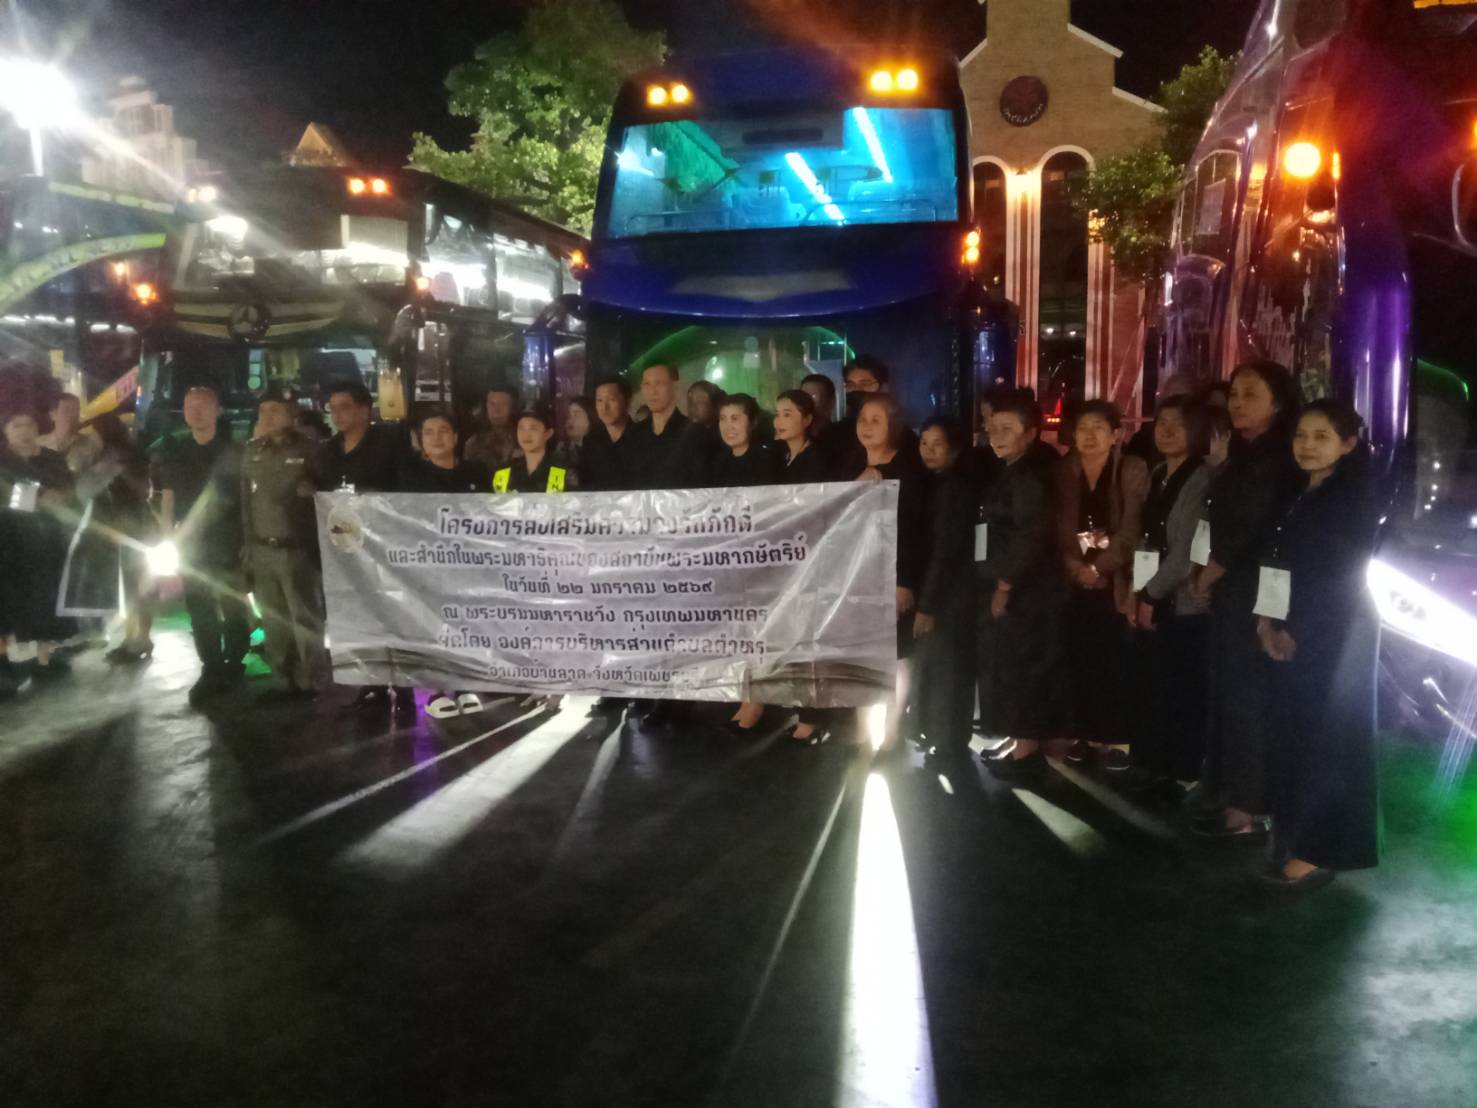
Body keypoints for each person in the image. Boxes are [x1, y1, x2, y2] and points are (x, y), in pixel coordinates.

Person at [1258, 400, 1380, 889]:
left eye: (1321, 437)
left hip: (1335, 629)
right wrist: (1266, 619)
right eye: (1301, 435)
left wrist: (1296, 627)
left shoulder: (1352, 500)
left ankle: (1320, 851)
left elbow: (1338, 576)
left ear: (1348, 444)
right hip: (1290, 621)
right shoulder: (1298, 490)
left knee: (1329, 739)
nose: (1307, 446)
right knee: (1296, 732)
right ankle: (1296, 835)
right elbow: (1277, 560)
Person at [1192, 359, 1302, 837]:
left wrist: (1210, 573)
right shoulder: (1246, 452)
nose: (1237, 402)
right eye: (1234, 393)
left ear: (1278, 403)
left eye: (1251, 394)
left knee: (1247, 697)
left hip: (1254, 591)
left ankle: (1247, 809)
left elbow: (1246, 525)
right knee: (1231, 693)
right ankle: (1230, 795)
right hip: (1236, 588)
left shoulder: (1273, 457)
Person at [1128, 396, 1216, 801]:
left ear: (1195, 430)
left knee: (1183, 687)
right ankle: (1156, 764)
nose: (1166, 430)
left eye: (1177, 423)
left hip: (1184, 601)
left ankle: (1183, 772)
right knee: (1155, 685)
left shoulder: (1203, 478)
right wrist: (1138, 590)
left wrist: (1150, 593)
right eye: (1161, 422)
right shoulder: (1159, 472)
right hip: (1154, 593)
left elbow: (1188, 551)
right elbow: (1147, 536)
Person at [1055, 399, 1149, 769]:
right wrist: (1075, 567)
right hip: (1075, 579)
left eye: (1098, 428)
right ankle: (1083, 735)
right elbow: (1060, 526)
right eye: (1082, 428)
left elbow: (1132, 527)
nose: (1089, 435)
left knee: (1114, 661)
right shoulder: (1066, 470)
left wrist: (1099, 569)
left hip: (1115, 580)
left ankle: (1116, 740)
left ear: (1116, 434)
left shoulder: (1130, 468)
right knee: (1080, 659)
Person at [977, 392, 1064, 779]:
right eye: (993, 428)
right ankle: (1017, 739)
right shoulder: (1013, 468)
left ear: (1031, 433)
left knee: (1024, 664)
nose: (997, 435)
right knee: (1009, 663)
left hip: (1028, 590)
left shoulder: (1030, 476)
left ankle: (1027, 750)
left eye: (1007, 429)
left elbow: (1030, 535)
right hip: (1017, 583)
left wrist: (1004, 584)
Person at [158, 386, 251, 706]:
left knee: (233, 605)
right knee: (199, 608)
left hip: (229, 540)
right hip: (191, 543)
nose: (195, 412)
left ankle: (234, 659)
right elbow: (168, 497)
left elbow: (246, 498)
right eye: (189, 406)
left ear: (217, 410)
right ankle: (211, 666)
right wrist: (166, 536)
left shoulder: (234, 451)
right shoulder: (175, 450)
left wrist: (247, 539)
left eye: (202, 406)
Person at [855, 393, 929, 752]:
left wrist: (905, 583)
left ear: (893, 426)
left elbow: (914, 534)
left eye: (876, 420)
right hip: (859, 577)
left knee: (897, 657)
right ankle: (863, 730)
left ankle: (891, 729)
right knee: (861, 653)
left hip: (894, 577)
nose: (866, 427)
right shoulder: (851, 467)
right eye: (862, 419)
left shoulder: (908, 472)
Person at [242, 395, 325, 700]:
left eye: (275, 410)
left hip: (297, 547)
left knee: (305, 617)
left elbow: (325, 493)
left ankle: (311, 680)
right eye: (263, 410)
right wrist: (247, 543)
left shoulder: (310, 450)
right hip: (262, 546)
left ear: (291, 415)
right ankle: (281, 679)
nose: (267, 416)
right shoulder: (251, 451)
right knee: (273, 617)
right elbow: (245, 501)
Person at [911, 416, 977, 763]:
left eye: (938, 444)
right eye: (924, 443)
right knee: (943, 670)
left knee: (947, 672)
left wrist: (928, 605)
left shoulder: (954, 489)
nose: (929, 450)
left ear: (954, 448)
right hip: (950, 594)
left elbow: (945, 551)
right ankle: (944, 739)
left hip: (950, 598)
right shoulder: (939, 483)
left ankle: (947, 742)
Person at [0, 408, 76, 685]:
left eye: (29, 424)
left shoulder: (52, 458)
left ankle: (46, 658)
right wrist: (42, 497)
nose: (24, 431)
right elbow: (11, 500)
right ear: (6, 431)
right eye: (16, 425)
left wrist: (58, 499)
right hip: (8, 542)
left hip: (46, 542)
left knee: (46, 599)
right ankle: (6, 664)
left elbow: (69, 493)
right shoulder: (3, 461)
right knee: (8, 604)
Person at [88, 413, 157, 664]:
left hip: (130, 528)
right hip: (136, 526)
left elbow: (139, 490)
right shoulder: (128, 454)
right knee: (134, 586)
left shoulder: (117, 458)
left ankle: (138, 640)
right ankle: (135, 639)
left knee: (134, 586)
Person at [628, 363, 714, 489]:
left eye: (659, 383)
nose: (652, 391)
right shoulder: (633, 435)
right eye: (647, 384)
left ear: (675, 387)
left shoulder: (696, 435)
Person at [319, 381, 408, 493]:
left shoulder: (390, 444)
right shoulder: (328, 450)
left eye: (344, 407)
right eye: (332, 408)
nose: (337, 415)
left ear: (364, 411)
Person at [403, 407, 488, 492]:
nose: (436, 438)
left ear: (455, 437)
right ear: (422, 440)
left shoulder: (478, 472)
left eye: (443, 431)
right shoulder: (413, 478)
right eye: (428, 433)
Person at [493, 408, 575, 492]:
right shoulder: (505, 472)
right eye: (521, 428)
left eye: (533, 428)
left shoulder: (561, 470)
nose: (526, 435)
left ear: (548, 433)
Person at [711, 393, 777, 489]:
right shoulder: (719, 462)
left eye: (735, 419)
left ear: (753, 422)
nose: (728, 427)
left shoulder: (766, 462)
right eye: (722, 419)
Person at [582, 377, 637, 491]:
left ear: (627, 401)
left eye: (611, 399)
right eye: (600, 401)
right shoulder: (591, 441)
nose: (605, 407)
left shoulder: (644, 438)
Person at [464, 385, 519, 468]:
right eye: (492, 404)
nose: (497, 410)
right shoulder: (473, 444)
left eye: (503, 404)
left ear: (512, 408)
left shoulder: (523, 441)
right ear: (486, 406)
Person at [558, 396, 597, 477]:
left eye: (576, 415)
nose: (570, 420)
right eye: (568, 416)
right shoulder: (561, 450)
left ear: (590, 417)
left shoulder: (603, 449)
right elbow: (554, 484)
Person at [40, 392, 81, 457]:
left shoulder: (90, 446)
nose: (72, 415)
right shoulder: (38, 445)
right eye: (66, 410)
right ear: (53, 415)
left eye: (76, 410)